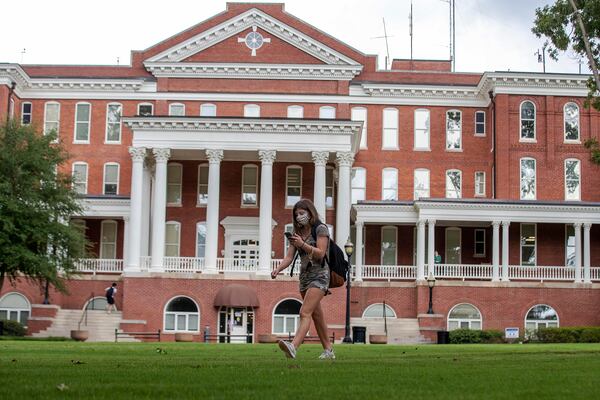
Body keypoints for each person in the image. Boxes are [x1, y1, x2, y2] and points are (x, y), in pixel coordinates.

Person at [271, 198, 334, 360]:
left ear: (310, 213)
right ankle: (329, 351)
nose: (299, 216)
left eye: (302, 213)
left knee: (304, 312)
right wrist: (278, 269)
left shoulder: (320, 229)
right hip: (304, 277)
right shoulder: (296, 234)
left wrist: (302, 244)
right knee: (316, 315)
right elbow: (289, 258)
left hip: (320, 275)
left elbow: (320, 253)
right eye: (296, 214)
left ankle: (294, 346)